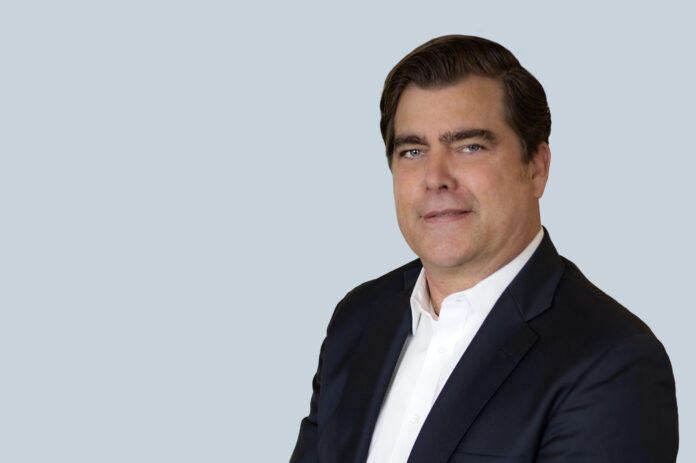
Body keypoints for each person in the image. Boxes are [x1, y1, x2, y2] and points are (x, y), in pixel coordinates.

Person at [290, 35, 679, 463]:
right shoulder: (357, 319)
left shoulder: (612, 363)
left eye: (469, 147)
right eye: (413, 151)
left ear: (537, 167)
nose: (435, 177)